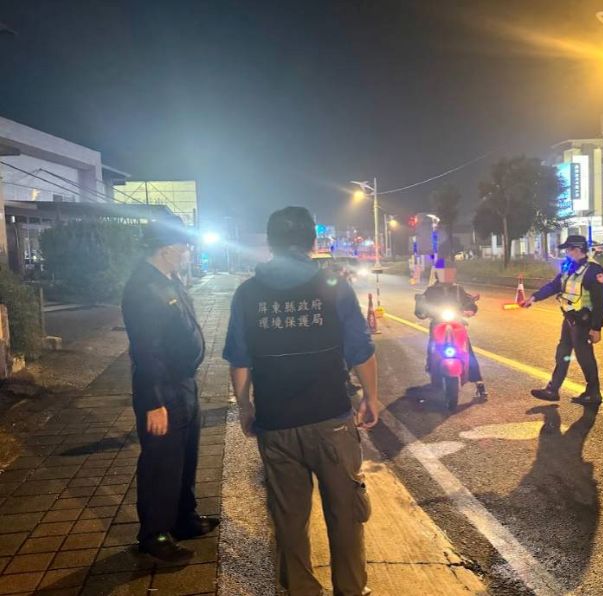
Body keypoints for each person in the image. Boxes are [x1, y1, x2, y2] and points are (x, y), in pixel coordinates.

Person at [223, 206, 378, 596]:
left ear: (270, 243)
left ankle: (300, 590)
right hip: (331, 421)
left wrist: (246, 408)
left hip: (276, 424)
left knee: (289, 520)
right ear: (312, 241)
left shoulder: (247, 293)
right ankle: (350, 590)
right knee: (345, 513)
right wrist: (371, 397)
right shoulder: (334, 286)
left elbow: (239, 360)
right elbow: (360, 350)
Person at [121, 218, 218, 563]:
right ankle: (155, 534)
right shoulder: (143, 288)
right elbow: (145, 351)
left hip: (183, 383)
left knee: (185, 456)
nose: (188, 251)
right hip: (162, 389)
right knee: (161, 462)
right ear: (166, 249)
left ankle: (183, 519)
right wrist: (154, 402)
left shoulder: (168, 280)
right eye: (184, 245)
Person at [524, 235, 603, 406]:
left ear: (577, 249)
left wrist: (596, 327)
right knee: (562, 353)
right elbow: (554, 285)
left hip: (583, 322)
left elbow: (601, 301)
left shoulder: (593, 270)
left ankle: (594, 393)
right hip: (569, 318)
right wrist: (534, 297)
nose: (566, 252)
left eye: (568, 249)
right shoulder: (569, 267)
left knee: (585, 358)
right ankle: (552, 389)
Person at [414, 265, 488, 400]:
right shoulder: (431, 291)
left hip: (457, 323)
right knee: (432, 347)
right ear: (438, 275)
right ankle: (431, 367)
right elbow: (422, 306)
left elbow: (469, 302)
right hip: (438, 323)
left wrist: (470, 310)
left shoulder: (458, 290)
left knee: (468, 351)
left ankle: (479, 382)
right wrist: (422, 311)